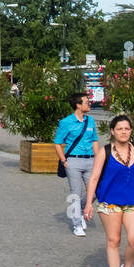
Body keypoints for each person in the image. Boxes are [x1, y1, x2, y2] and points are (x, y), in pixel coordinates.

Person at [84, 115, 134, 267]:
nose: (124, 132)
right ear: (113, 131)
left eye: (127, 129)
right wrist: (89, 203)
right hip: (109, 202)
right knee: (114, 240)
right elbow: (94, 177)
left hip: (133, 201)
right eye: (120, 129)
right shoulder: (104, 151)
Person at [53, 91, 97, 236]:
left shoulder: (90, 121)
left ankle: (82, 209)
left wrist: (98, 159)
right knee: (76, 193)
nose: (89, 103)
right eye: (86, 102)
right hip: (73, 160)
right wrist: (64, 161)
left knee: (97, 191)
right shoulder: (66, 122)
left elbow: (95, 141)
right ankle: (77, 224)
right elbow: (58, 143)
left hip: (90, 160)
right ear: (78, 105)